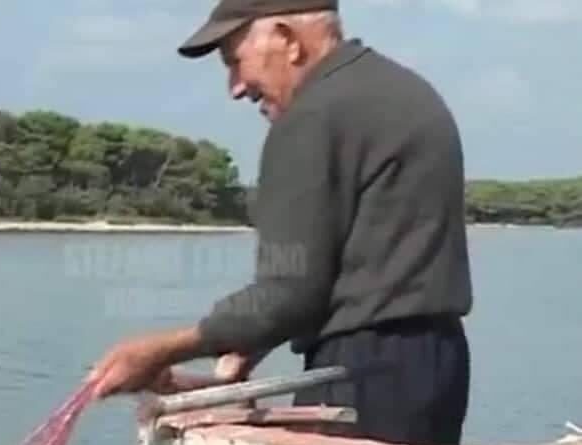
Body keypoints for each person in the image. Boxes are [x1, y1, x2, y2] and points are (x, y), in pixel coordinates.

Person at [86, 1, 474, 444]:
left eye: (234, 61)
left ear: (287, 39)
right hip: (435, 363)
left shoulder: (311, 116)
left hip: (363, 371)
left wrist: (157, 351)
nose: (235, 87)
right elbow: (362, 260)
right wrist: (250, 343)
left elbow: (288, 292)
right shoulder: (405, 92)